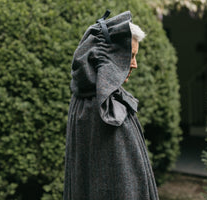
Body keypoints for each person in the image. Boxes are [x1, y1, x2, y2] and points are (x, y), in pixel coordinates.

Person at [64, 11, 159, 200]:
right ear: (111, 57)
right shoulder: (106, 108)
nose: (134, 64)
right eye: (130, 56)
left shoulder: (83, 99)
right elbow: (123, 186)